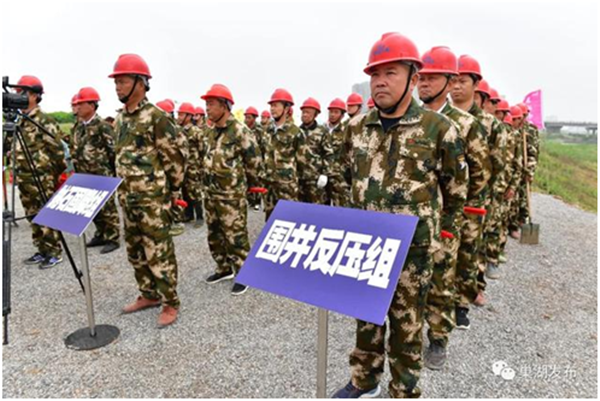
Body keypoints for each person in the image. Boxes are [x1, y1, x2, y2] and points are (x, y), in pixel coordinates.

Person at [332, 33, 466, 398]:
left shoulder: (438, 129)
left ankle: (404, 389)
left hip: (413, 250)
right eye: (375, 74)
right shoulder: (356, 128)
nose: (380, 81)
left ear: (412, 77)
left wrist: (444, 236)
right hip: (366, 244)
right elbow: (345, 176)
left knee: (407, 326)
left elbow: (456, 189)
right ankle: (364, 380)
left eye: (390, 72)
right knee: (366, 318)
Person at [416, 46, 490, 369]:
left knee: (441, 280)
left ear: (448, 81)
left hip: (446, 218)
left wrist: (457, 216)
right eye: (421, 78)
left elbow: (480, 174)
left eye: (432, 78)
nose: (424, 84)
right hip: (414, 216)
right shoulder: (411, 119)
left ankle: (438, 338)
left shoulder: (465, 124)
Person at [110, 53, 185, 327]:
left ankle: (170, 302)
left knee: (159, 251)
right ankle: (148, 294)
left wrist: (172, 193)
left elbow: (175, 158)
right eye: (116, 82)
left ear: (140, 83)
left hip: (153, 200)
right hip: (127, 198)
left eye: (123, 81)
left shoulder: (157, 117)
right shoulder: (120, 119)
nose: (117, 87)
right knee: (135, 251)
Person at [199, 84, 262, 295]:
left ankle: (244, 273)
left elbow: (254, 161)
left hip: (231, 195)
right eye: (206, 104)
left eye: (211, 104)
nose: (207, 108)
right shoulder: (210, 132)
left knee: (235, 235)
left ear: (224, 106)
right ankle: (223, 268)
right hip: (210, 193)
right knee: (214, 234)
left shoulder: (240, 131)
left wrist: (248, 186)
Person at [11, 75, 67, 269]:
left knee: (47, 214)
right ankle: (42, 248)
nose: (18, 96)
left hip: (42, 177)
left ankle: (54, 251)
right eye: (17, 92)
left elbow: (58, 151)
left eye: (22, 92)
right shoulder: (20, 120)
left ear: (35, 96)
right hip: (24, 177)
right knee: (32, 214)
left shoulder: (43, 120)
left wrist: (50, 174)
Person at [71, 86, 120, 254]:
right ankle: (101, 233)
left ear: (92, 105)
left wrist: (112, 174)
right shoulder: (78, 127)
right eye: (77, 104)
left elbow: (113, 151)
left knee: (107, 208)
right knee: (92, 208)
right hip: (84, 174)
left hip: (102, 174)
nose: (77, 107)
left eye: (81, 104)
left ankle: (112, 237)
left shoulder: (103, 126)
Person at [262, 88, 301, 220]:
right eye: (271, 105)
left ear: (286, 108)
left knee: (288, 221)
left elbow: (302, 161)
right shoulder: (267, 131)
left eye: (276, 105)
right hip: (269, 186)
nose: (272, 109)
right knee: (270, 222)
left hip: (287, 187)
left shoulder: (295, 132)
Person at [297, 97, 332, 204]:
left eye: (308, 112)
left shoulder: (322, 132)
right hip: (299, 179)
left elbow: (329, 154)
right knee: (299, 209)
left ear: (315, 114)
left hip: (315, 179)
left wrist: (325, 174)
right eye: (303, 112)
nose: (304, 115)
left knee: (316, 208)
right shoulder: (297, 131)